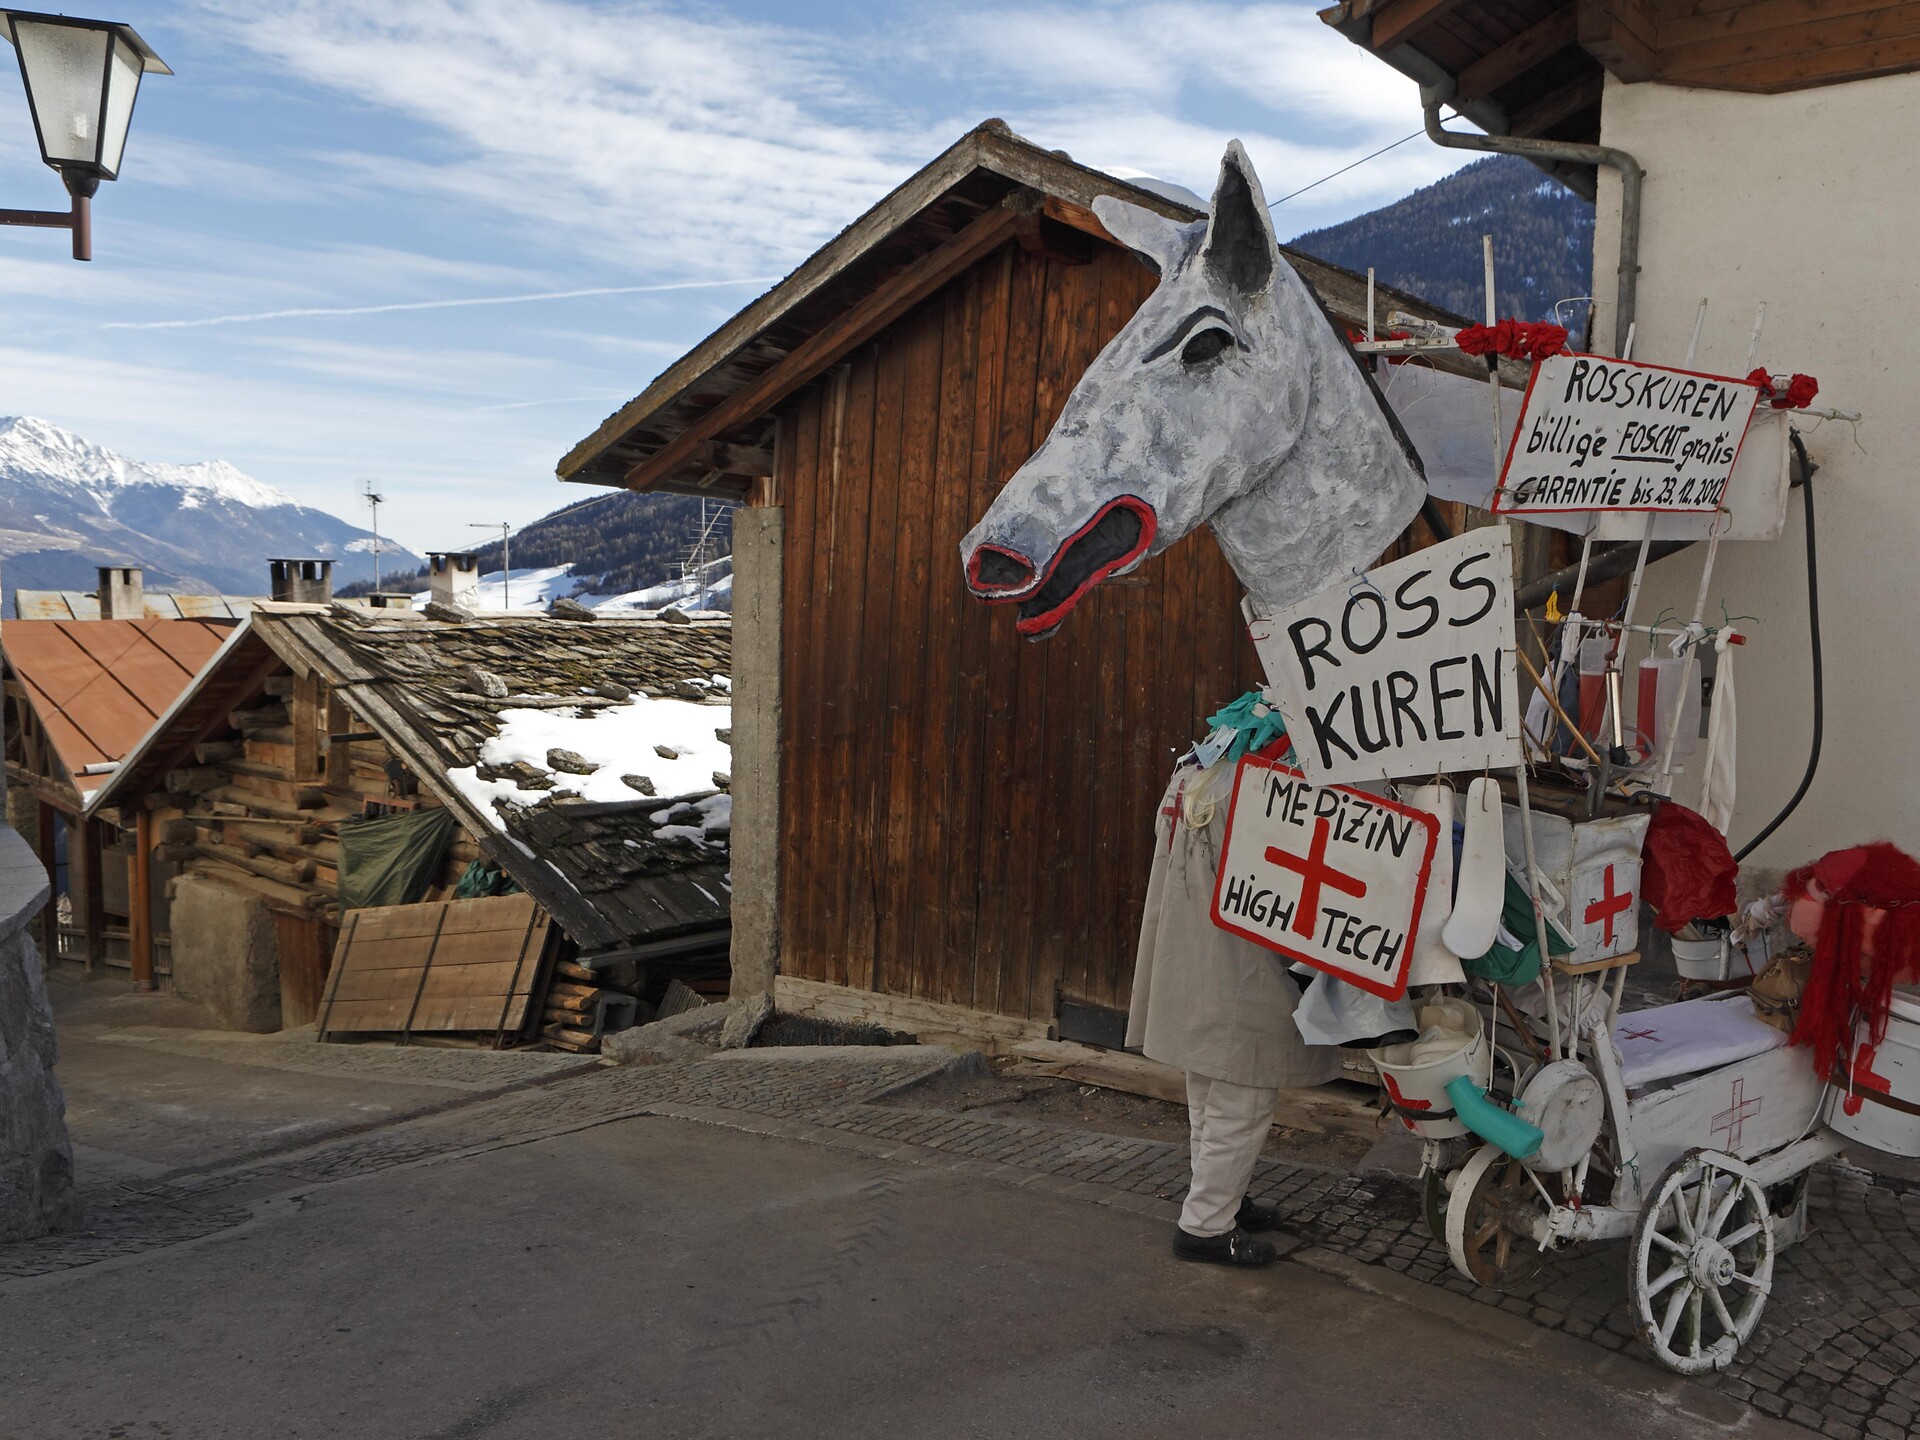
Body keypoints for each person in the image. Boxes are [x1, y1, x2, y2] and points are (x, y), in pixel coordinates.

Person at [1127, 758, 1341, 1266]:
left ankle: (1225, 1195)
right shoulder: (1268, 780)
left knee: (1207, 1086)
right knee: (1240, 1096)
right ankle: (1205, 1224)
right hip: (1243, 962)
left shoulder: (1197, 767)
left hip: (1197, 946)